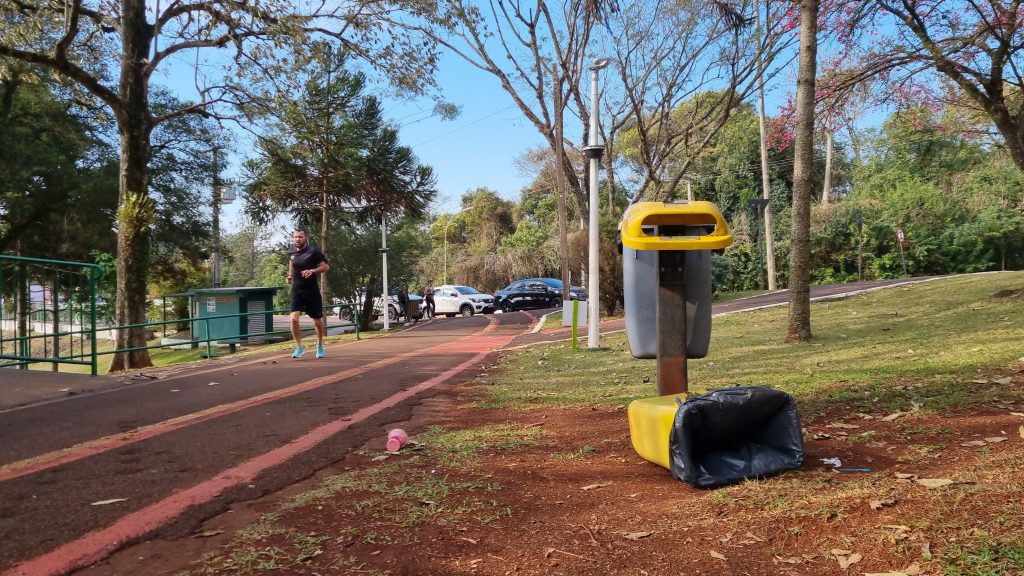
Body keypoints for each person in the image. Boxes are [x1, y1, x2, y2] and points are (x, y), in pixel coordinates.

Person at [285, 229, 329, 359]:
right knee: (293, 319)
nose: (297, 239)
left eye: (300, 237)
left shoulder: (313, 252)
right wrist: (289, 276)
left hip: (311, 291)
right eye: (295, 237)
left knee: (317, 321)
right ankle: (299, 347)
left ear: (306, 238)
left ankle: (320, 345)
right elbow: (292, 263)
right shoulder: (291, 251)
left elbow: (326, 267)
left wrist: (312, 271)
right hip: (297, 291)